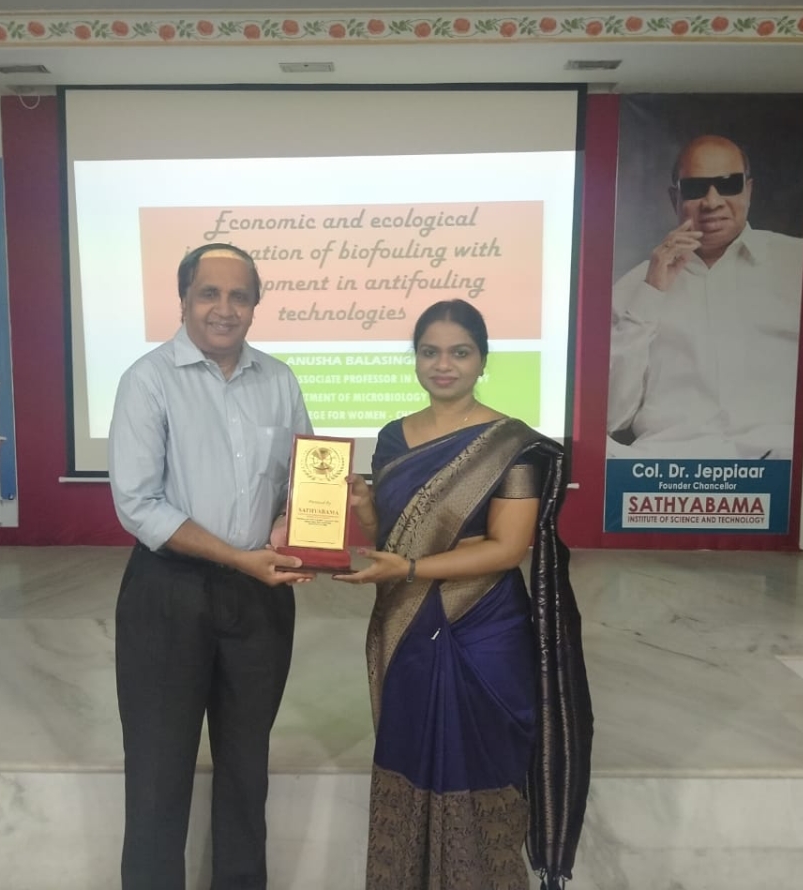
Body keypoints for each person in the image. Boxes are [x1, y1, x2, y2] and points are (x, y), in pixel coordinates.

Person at [333, 299, 593, 890]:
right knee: (408, 751)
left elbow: (507, 547)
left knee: (483, 758)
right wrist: (366, 508)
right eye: (430, 352)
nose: (443, 365)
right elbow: (391, 536)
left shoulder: (511, 444)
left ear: (482, 359)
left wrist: (411, 567)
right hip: (406, 624)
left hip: (483, 626)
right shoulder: (393, 436)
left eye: (459, 352)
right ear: (416, 358)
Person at [108, 242, 313, 890]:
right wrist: (238, 557)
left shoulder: (279, 381)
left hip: (260, 601)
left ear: (255, 305)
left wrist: (290, 524)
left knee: (247, 775)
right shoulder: (148, 380)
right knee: (157, 777)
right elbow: (139, 504)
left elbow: (302, 483)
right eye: (209, 293)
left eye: (239, 296)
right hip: (169, 594)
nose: (224, 309)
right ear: (183, 300)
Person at [607, 134, 803, 459]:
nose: (712, 202)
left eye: (728, 184)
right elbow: (611, 417)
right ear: (675, 198)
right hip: (667, 468)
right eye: (696, 188)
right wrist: (650, 294)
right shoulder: (635, 286)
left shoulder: (800, 265)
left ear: (749, 190)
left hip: (778, 464)